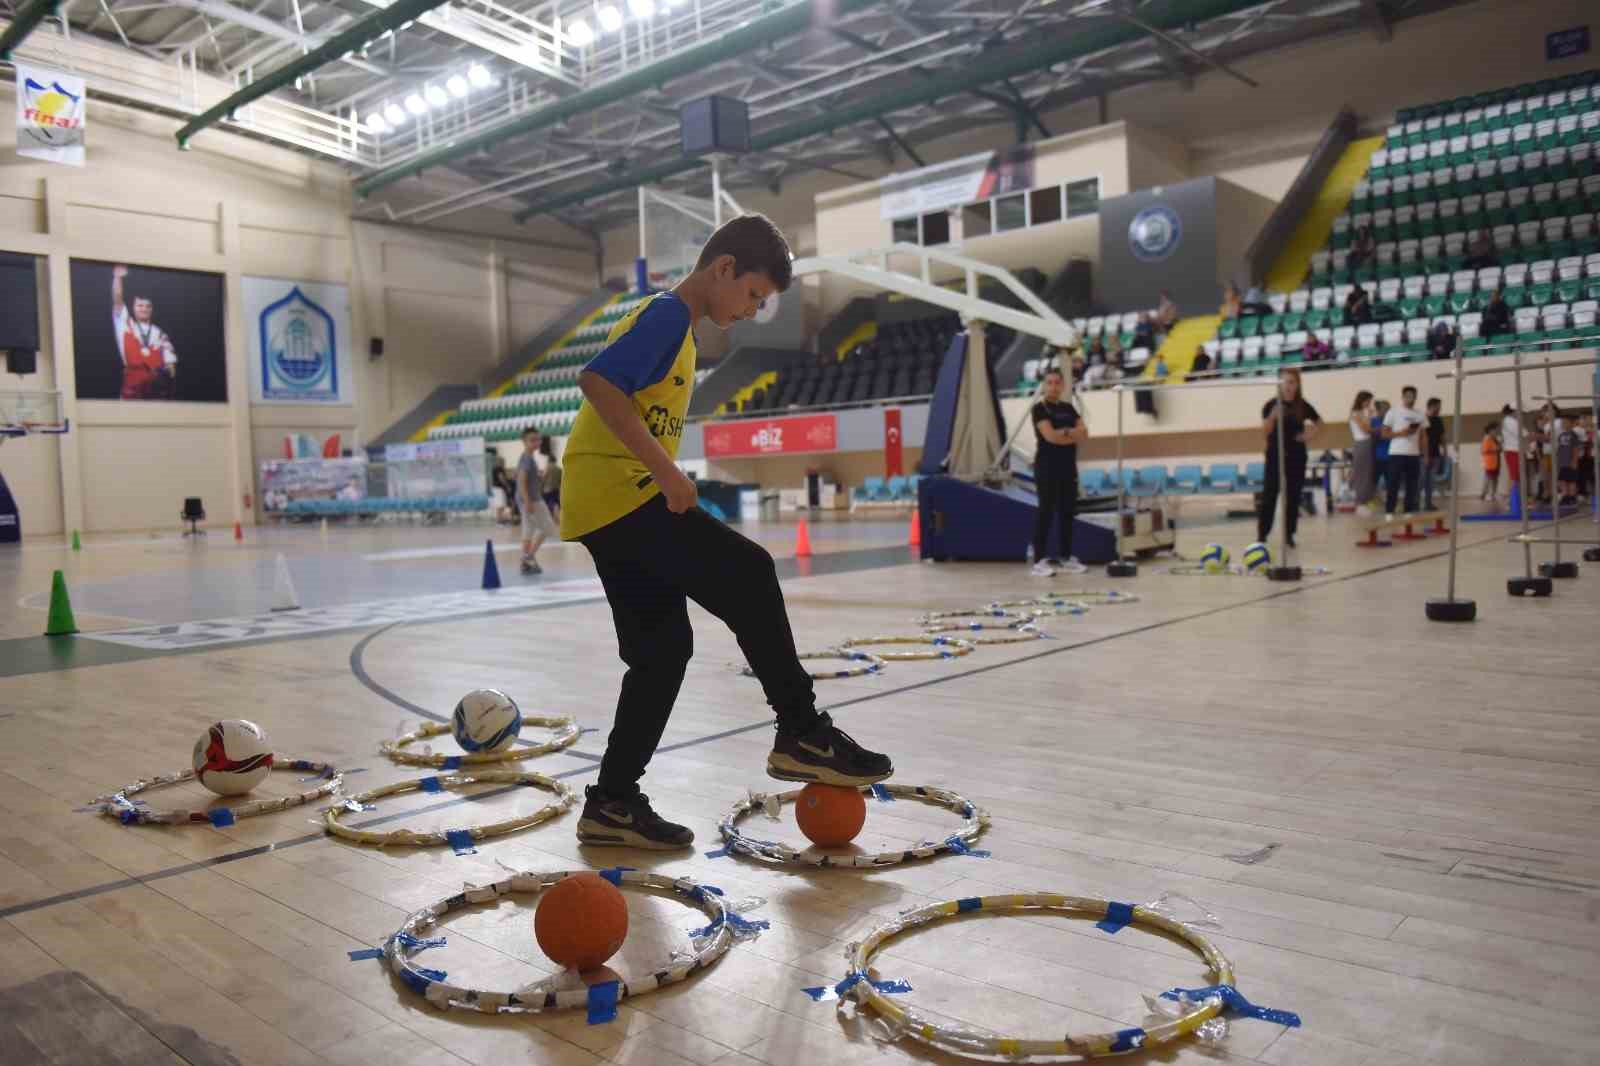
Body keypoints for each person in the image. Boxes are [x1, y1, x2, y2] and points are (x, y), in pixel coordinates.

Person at [562, 213, 892, 849]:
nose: (751, 311)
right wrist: (666, 473)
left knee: (660, 655)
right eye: (752, 296)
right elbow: (598, 381)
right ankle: (801, 729)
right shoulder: (666, 317)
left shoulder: (675, 327)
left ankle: (611, 802)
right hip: (619, 494)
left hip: (601, 503)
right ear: (723, 269)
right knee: (750, 571)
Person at [1029, 367, 1090, 577]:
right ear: (1044, 385)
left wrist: (1063, 433)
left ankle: (1065, 556)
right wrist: (1069, 433)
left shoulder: (1069, 408)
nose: (1054, 387)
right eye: (1050, 383)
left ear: (1063, 386)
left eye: (1057, 383)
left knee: (1067, 511)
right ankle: (1039, 560)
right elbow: (1050, 437)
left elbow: (1084, 434)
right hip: (1046, 467)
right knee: (1045, 511)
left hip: (1067, 466)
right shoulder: (1039, 409)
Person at [1257, 367, 1321, 547]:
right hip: (1275, 455)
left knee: (1293, 497)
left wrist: (1308, 436)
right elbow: (1265, 432)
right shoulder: (1271, 405)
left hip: (1297, 455)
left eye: (1292, 382)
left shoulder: (1302, 405)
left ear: (1297, 384)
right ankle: (1262, 534)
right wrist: (1272, 417)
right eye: (1285, 382)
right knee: (1270, 494)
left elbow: (1319, 422)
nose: (1288, 386)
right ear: (1279, 384)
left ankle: (1289, 535)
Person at [111, 264, 177, 400]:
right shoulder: (125, 325)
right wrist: (117, 277)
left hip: (155, 393)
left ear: (152, 309)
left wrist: (167, 373)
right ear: (133, 308)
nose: (144, 309)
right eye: (140, 305)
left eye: (147, 306)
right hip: (131, 390)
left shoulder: (160, 334)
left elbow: (171, 367)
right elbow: (117, 299)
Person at [516, 427, 558, 574]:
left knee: (528, 530)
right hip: (532, 499)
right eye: (532, 440)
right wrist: (527, 500)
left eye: (538, 439)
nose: (536, 442)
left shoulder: (528, 458)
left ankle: (526, 560)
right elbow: (521, 480)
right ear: (524, 441)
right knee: (548, 527)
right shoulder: (527, 459)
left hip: (529, 498)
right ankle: (528, 557)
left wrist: (540, 476)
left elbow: (527, 480)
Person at [1382, 385, 1427, 515]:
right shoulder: (1393, 412)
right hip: (1397, 453)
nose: (1410, 399)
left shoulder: (1420, 414)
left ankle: (1408, 510)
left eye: (1413, 396)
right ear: (1402, 397)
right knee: (1393, 483)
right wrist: (1401, 433)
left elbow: (1424, 437)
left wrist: (1426, 455)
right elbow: (1384, 434)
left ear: (1415, 397)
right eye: (1407, 396)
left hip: (1414, 454)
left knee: (1412, 485)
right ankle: (1389, 511)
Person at [1348, 390, 1378, 514]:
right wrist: (1371, 419)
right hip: (1361, 444)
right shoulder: (1355, 414)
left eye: (1370, 401)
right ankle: (1360, 501)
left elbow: (1370, 428)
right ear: (1362, 400)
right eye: (1368, 401)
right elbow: (1365, 429)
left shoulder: (1364, 413)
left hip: (1368, 443)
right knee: (1361, 474)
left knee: (1369, 473)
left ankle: (1367, 500)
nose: (1369, 404)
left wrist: (1370, 417)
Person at [1422, 397, 1445, 510]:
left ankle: (1428, 503)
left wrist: (1444, 451)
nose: (1440, 408)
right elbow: (1421, 438)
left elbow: (1442, 437)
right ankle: (1415, 503)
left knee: (1431, 482)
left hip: (1435, 454)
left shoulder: (1439, 420)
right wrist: (1425, 455)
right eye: (1438, 406)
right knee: (1421, 480)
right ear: (1432, 406)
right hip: (1423, 455)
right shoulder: (1423, 419)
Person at [539, 435, 563, 523]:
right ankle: (556, 519)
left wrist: (540, 488)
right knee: (555, 504)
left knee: (549, 505)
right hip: (556, 489)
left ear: (549, 460)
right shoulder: (559, 469)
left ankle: (552, 519)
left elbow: (543, 479)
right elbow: (561, 481)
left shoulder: (547, 468)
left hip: (547, 489)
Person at [491, 453, 518, 524]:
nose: (504, 463)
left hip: (496, 488)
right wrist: (507, 486)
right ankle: (499, 519)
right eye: (503, 462)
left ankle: (500, 518)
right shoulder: (499, 468)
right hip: (499, 488)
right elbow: (501, 478)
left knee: (501, 504)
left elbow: (503, 477)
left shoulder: (496, 468)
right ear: (500, 462)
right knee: (500, 504)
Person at [1480, 422, 1501, 502]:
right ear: (1490, 431)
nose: (1496, 432)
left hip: (1496, 461)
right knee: (1488, 479)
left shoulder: (1495, 439)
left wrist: (1499, 448)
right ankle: (1483, 494)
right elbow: (1484, 450)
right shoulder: (1487, 439)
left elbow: (1499, 448)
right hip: (1490, 462)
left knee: (1495, 479)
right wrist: (1495, 449)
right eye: (1495, 430)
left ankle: (1493, 494)